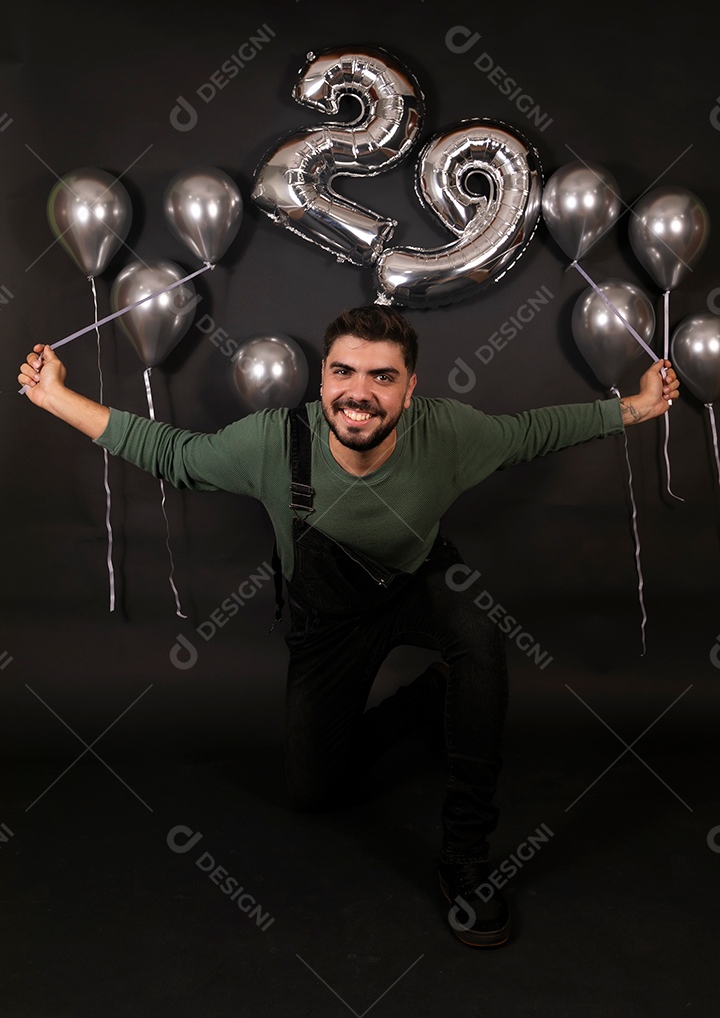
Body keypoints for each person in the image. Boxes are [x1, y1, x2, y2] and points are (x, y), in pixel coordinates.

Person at [18, 306, 679, 948]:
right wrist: (55, 399)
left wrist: (640, 407)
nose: (357, 395)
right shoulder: (275, 442)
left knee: (478, 634)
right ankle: (427, 699)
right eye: (343, 373)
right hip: (329, 620)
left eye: (381, 377)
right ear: (324, 378)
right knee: (313, 791)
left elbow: (537, 430)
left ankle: (466, 855)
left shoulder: (449, 433)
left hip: (418, 585)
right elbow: (173, 454)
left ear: (411, 389)